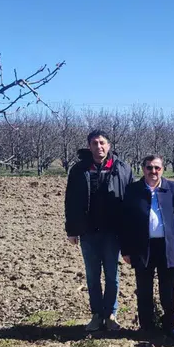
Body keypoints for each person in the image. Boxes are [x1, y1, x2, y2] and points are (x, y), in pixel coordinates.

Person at [64, 130, 134, 332]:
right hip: (88, 232)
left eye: (102, 143)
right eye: (94, 143)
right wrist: (72, 229)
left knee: (112, 276)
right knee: (92, 276)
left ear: (109, 145)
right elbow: (71, 201)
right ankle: (96, 314)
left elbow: (129, 202)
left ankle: (111, 314)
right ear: (89, 146)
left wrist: (129, 232)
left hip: (113, 232)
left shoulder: (122, 169)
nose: (99, 147)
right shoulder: (79, 170)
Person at [122, 154, 174, 341]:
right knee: (144, 289)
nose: (153, 171)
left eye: (157, 168)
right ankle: (146, 326)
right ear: (143, 169)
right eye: (149, 167)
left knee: (168, 288)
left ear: (162, 169)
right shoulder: (133, 190)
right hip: (142, 246)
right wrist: (126, 249)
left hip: (167, 246)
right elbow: (125, 222)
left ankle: (169, 325)